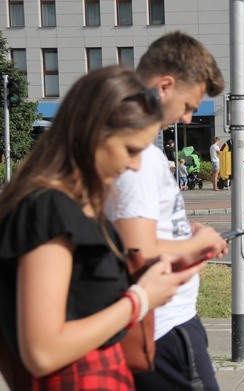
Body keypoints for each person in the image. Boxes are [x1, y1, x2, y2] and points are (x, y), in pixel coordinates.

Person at [0, 66, 205, 389]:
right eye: (130, 150)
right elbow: (42, 350)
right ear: (94, 133)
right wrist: (140, 300)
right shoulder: (48, 208)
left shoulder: (72, 206)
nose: (134, 165)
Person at [104, 31, 227, 391]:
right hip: (164, 329)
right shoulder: (138, 155)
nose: (189, 119)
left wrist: (181, 236)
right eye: (188, 105)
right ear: (164, 86)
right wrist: (198, 242)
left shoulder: (137, 150)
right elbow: (138, 249)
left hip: (164, 323)